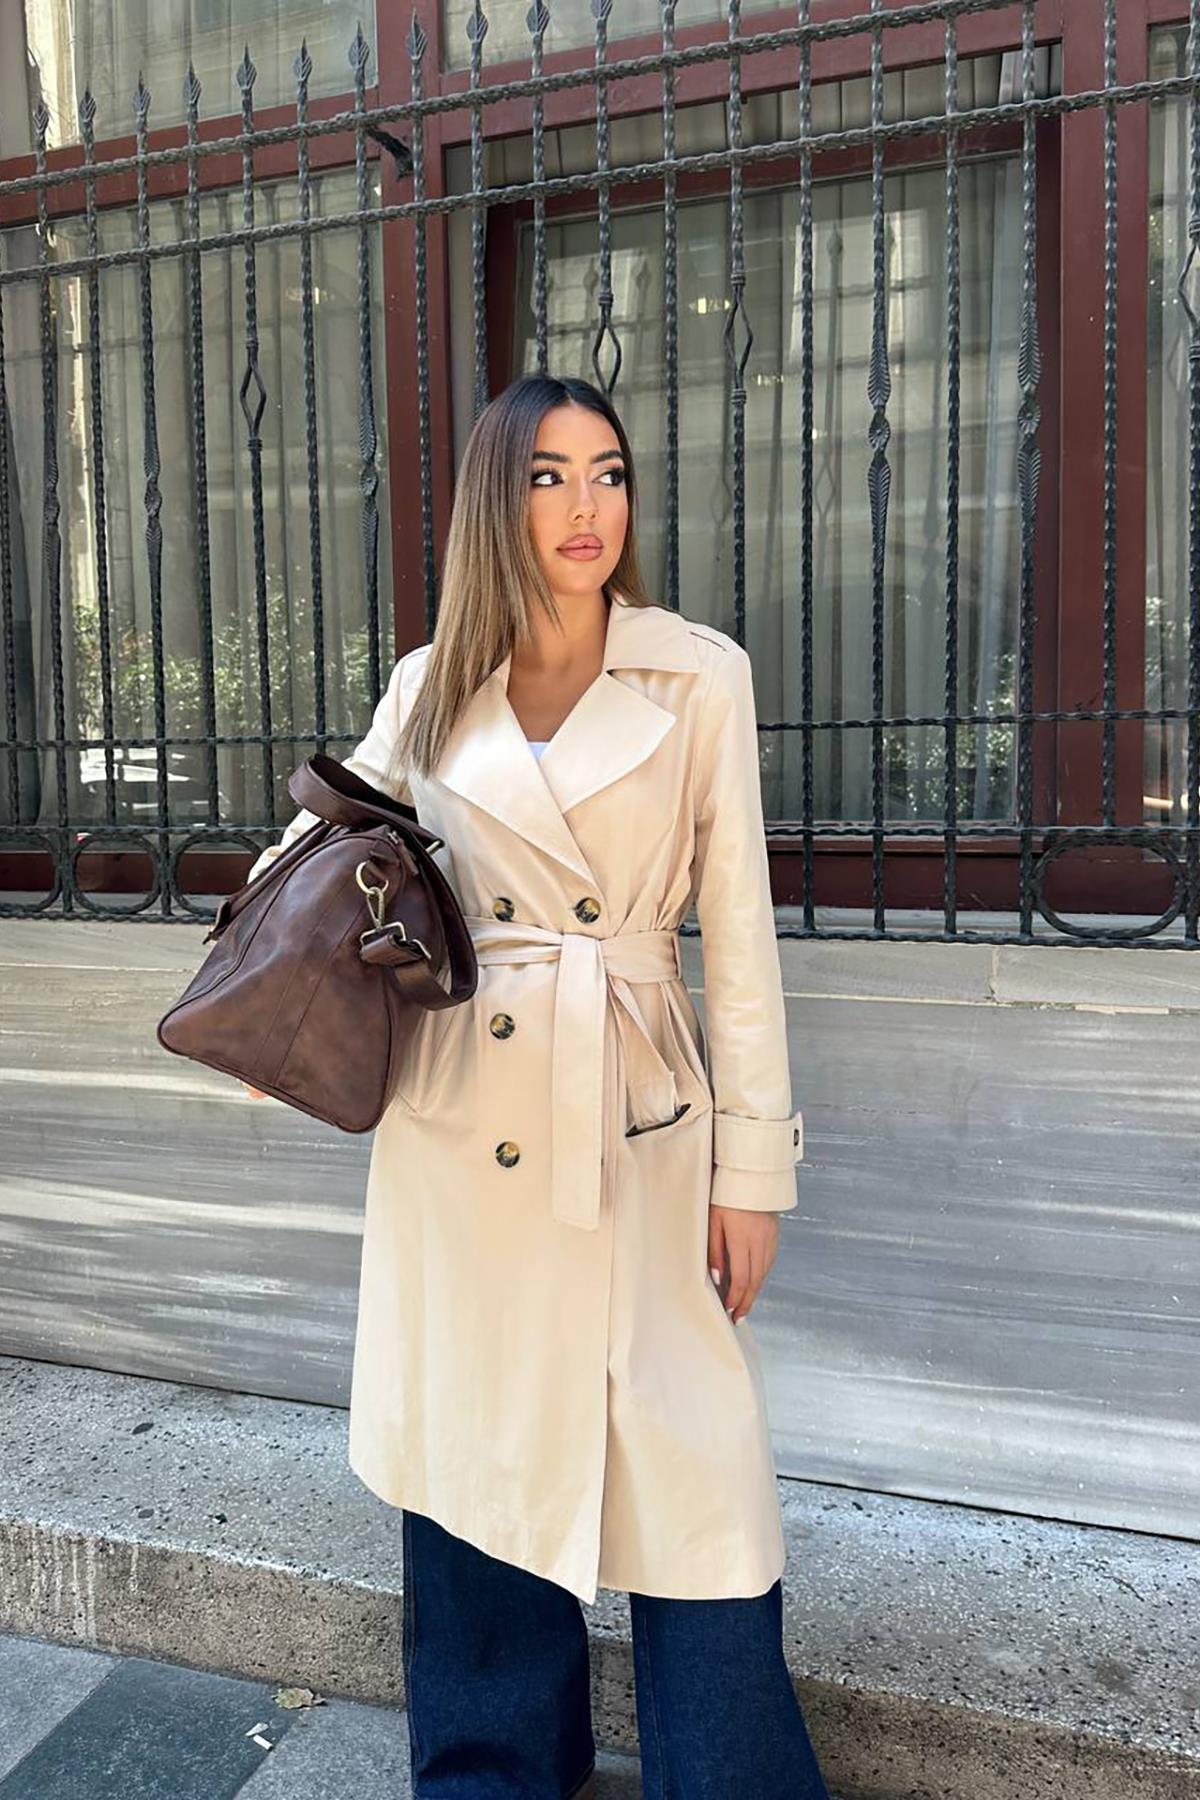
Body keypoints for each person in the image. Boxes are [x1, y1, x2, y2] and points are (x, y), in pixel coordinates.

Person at [243, 374, 832, 1799]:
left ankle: (730, 1777)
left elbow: (739, 940)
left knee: (698, 1474)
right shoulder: (430, 682)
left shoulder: (698, 673)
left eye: (608, 472)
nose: (585, 507)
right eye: (548, 476)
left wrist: (753, 1169)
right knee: (475, 1450)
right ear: (497, 503)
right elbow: (316, 852)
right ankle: (492, 1772)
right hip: (462, 1118)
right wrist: (283, 967)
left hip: (637, 1102)